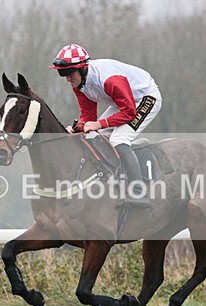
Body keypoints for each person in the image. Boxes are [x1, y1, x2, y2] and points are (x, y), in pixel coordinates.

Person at [50, 43, 162, 208]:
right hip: (122, 103)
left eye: (69, 74)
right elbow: (88, 116)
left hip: (145, 98)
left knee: (119, 138)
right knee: (93, 136)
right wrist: (77, 129)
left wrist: (99, 124)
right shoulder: (79, 85)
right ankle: (111, 181)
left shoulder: (111, 80)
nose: (67, 79)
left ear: (82, 69)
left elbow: (129, 113)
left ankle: (139, 192)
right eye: (63, 75)